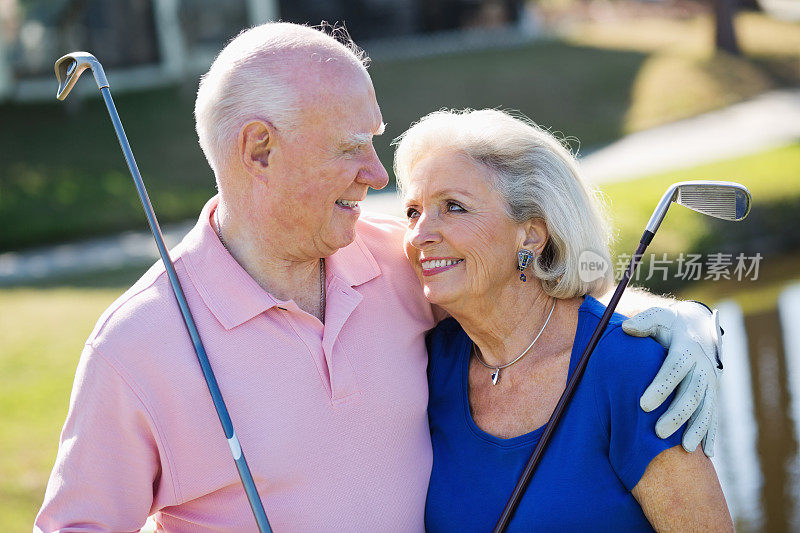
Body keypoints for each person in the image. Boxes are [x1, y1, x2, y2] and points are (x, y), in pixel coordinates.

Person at [36, 23, 722, 532]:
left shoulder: (399, 266)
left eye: (374, 140)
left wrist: (680, 322)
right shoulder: (135, 348)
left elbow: (524, 284)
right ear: (259, 149)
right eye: (350, 148)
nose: (376, 173)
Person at [394, 108, 731, 531]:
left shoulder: (630, 368)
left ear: (532, 235)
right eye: (412, 211)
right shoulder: (432, 360)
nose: (420, 233)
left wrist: (692, 314)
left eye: (454, 207)